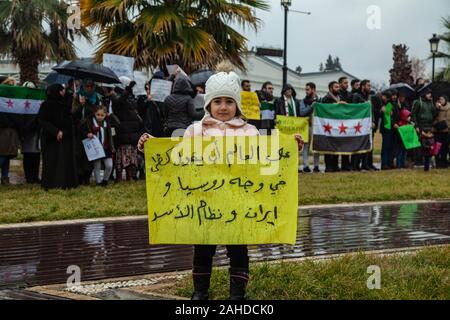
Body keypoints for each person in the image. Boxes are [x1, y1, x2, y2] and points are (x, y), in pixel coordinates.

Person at [137, 62, 304, 300]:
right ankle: (200, 293)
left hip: (239, 204)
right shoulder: (195, 131)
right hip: (204, 203)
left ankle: (237, 295)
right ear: (208, 104)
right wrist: (151, 147)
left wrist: (289, 146)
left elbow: (266, 159)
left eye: (228, 101)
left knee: (238, 249)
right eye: (217, 101)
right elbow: (176, 157)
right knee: (203, 249)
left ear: (236, 104)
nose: (223, 107)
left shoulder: (249, 132)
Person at [38, 84, 78, 190]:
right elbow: (43, 121)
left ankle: (65, 183)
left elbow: (69, 120)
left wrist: (63, 132)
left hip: (64, 137)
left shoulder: (64, 104)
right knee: (51, 161)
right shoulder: (46, 105)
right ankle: (50, 183)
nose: (63, 92)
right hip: (50, 138)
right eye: (61, 90)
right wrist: (55, 131)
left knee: (64, 160)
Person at [72, 79, 102, 185]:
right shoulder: (77, 97)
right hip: (79, 133)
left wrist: (88, 103)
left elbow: (97, 112)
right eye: (87, 86)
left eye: (90, 86)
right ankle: (80, 177)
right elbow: (73, 114)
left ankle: (87, 177)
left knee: (90, 155)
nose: (88, 88)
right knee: (79, 155)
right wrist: (80, 104)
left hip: (90, 131)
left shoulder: (95, 98)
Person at [113, 77, 143, 181]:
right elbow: (119, 102)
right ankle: (119, 177)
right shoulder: (117, 96)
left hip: (132, 132)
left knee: (131, 157)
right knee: (121, 157)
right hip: (123, 132)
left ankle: (130, 177)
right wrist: (127, 90)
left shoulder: (132, 97)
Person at [81, 105, 115, 186]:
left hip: (106, 147)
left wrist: (111, 114)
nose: (99, 117)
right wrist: (87, 134)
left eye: (102, 115)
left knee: (109, 165)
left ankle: (105, 180)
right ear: (94, 114)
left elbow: (118, 123)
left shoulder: (108, 122)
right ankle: (98, 182)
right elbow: (81, 128)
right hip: (95, 147)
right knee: (97, 166)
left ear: (105, 115)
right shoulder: (90, 121)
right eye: (98, 115)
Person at [352, 80, 377, 171]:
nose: (370, 87)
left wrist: (373, 121)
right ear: (363, 86)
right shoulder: (356, 96)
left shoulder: (369, 97)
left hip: (368, 125)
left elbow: (371, 111)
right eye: (368, 85)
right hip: (359, 125)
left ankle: (367, 164)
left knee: (369, 145)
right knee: (358, 145)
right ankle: (355, 165)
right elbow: (354, 110)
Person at [0, 77, 20, 185]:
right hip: (4, 130)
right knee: (3, 154)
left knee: (7, 155)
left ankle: (5, 177)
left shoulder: (14, 99)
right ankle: (4, 177)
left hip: (10, 131)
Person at [411, 88, 437, 171]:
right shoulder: (418, 102)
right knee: (422, 146)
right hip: (421, 126)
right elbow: (413, 115)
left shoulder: (431, 103)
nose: (430, 95)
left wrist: (435, 107)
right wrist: (416, 126)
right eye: (428, 93)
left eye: (430, 93)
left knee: (429, 146)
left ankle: (427, 164)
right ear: (424, 94)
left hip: (429, 126)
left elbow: (434, 114)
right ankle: (418, 162)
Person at [21, 81, 41, 183]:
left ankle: (34, 176)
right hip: (26, 131)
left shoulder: (37, 101)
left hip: (35, 132)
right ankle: (29, 177)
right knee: (27, 156)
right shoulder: (20, 102)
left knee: (36, 155)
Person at [321, 81, 342, 172]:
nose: (338, 89)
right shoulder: (326, 99)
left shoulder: (339, 98)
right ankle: (328, 166)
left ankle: (335, 165)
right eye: (336, 87)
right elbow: (326, 110)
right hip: (328, 126)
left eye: (338, 87)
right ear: (330, 88)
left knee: (336, 146)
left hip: (337, 126)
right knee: (328, 147)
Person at [301, 82, 320, 173]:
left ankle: (316, 166)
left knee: (317, 146)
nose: (306, 91)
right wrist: (311, 106)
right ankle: (306, 166)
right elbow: (302, 112)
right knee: (306, 145)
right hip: (308, 126)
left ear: (313, 89)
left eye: (308, 89)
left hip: (318, 126)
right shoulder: (303, 101)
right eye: (306, 89)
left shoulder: (320, 100)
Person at [433, 95, 450, 168]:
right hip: (437, 130)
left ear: (445, 100)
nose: (441, 101)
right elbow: (433, 117)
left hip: (446, 130)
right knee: (437, 147)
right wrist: (437, 109)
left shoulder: (448, 108)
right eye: (440, 99)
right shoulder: (436, 107)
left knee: (445, 148)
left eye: (442, 99)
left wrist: (446, 125)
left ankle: (444, 162)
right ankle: (437, 162)